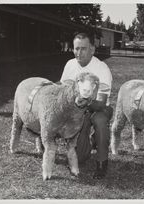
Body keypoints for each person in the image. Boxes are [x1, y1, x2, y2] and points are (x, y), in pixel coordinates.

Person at [60, 32, 113, 179]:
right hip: (77, 110)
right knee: (82, 157)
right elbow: (63, 89)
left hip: (98, 109)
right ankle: (86, 144)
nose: (78, 52)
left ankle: (102, 162)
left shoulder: (102, 68)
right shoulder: (70, 65)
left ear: (92, 49)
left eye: (83, 48)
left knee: (100, 121)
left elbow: (101, 102)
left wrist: (82, 102)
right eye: (76, 48)